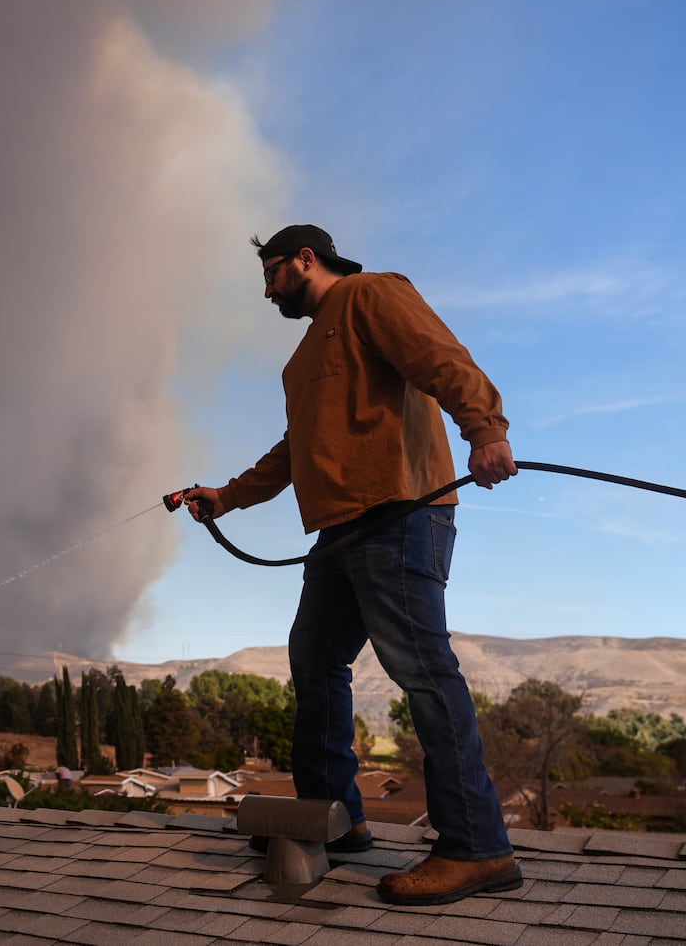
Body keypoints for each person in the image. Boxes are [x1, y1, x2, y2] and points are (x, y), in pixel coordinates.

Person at [183, 224, 521, 906]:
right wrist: (226, 496)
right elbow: (294, 449)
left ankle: (478, 847)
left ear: (307, 259)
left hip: (399, 512)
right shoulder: (302, 358)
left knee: (422, 671)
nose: (268, 289)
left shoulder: (371, 294)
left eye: (273, 273)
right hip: (339, 530)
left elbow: (439, 356)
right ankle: (337, 818)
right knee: (314, 656)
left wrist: (485, 427)